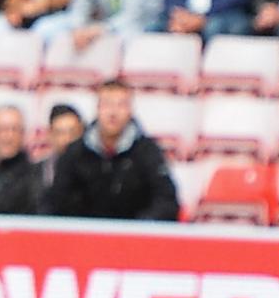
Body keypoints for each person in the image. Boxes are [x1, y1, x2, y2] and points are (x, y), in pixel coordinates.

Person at [46, 79, 179, 220]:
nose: (113, 112)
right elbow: (56, 201)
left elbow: (166, 201)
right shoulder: (75, 152)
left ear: (130, 110)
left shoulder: (148, 151)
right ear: (97, 108)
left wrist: (138, 228)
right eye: (107, 104)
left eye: (121, 105)